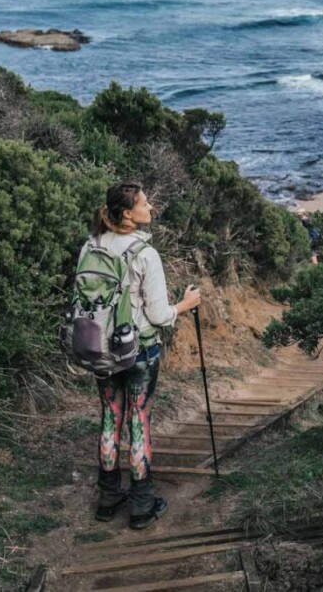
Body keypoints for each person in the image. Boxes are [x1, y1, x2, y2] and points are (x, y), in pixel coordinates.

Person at [87, 181, 201, 530]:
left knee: (110, 417)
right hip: (139, 351)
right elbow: (158, 315)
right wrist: (185, 304)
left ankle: (108, 499)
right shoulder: (145, 254)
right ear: (127, 214)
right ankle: (141, 504)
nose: (151, 207)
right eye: (145, 203)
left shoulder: (90, 246)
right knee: (138, 421)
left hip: (101, 350)